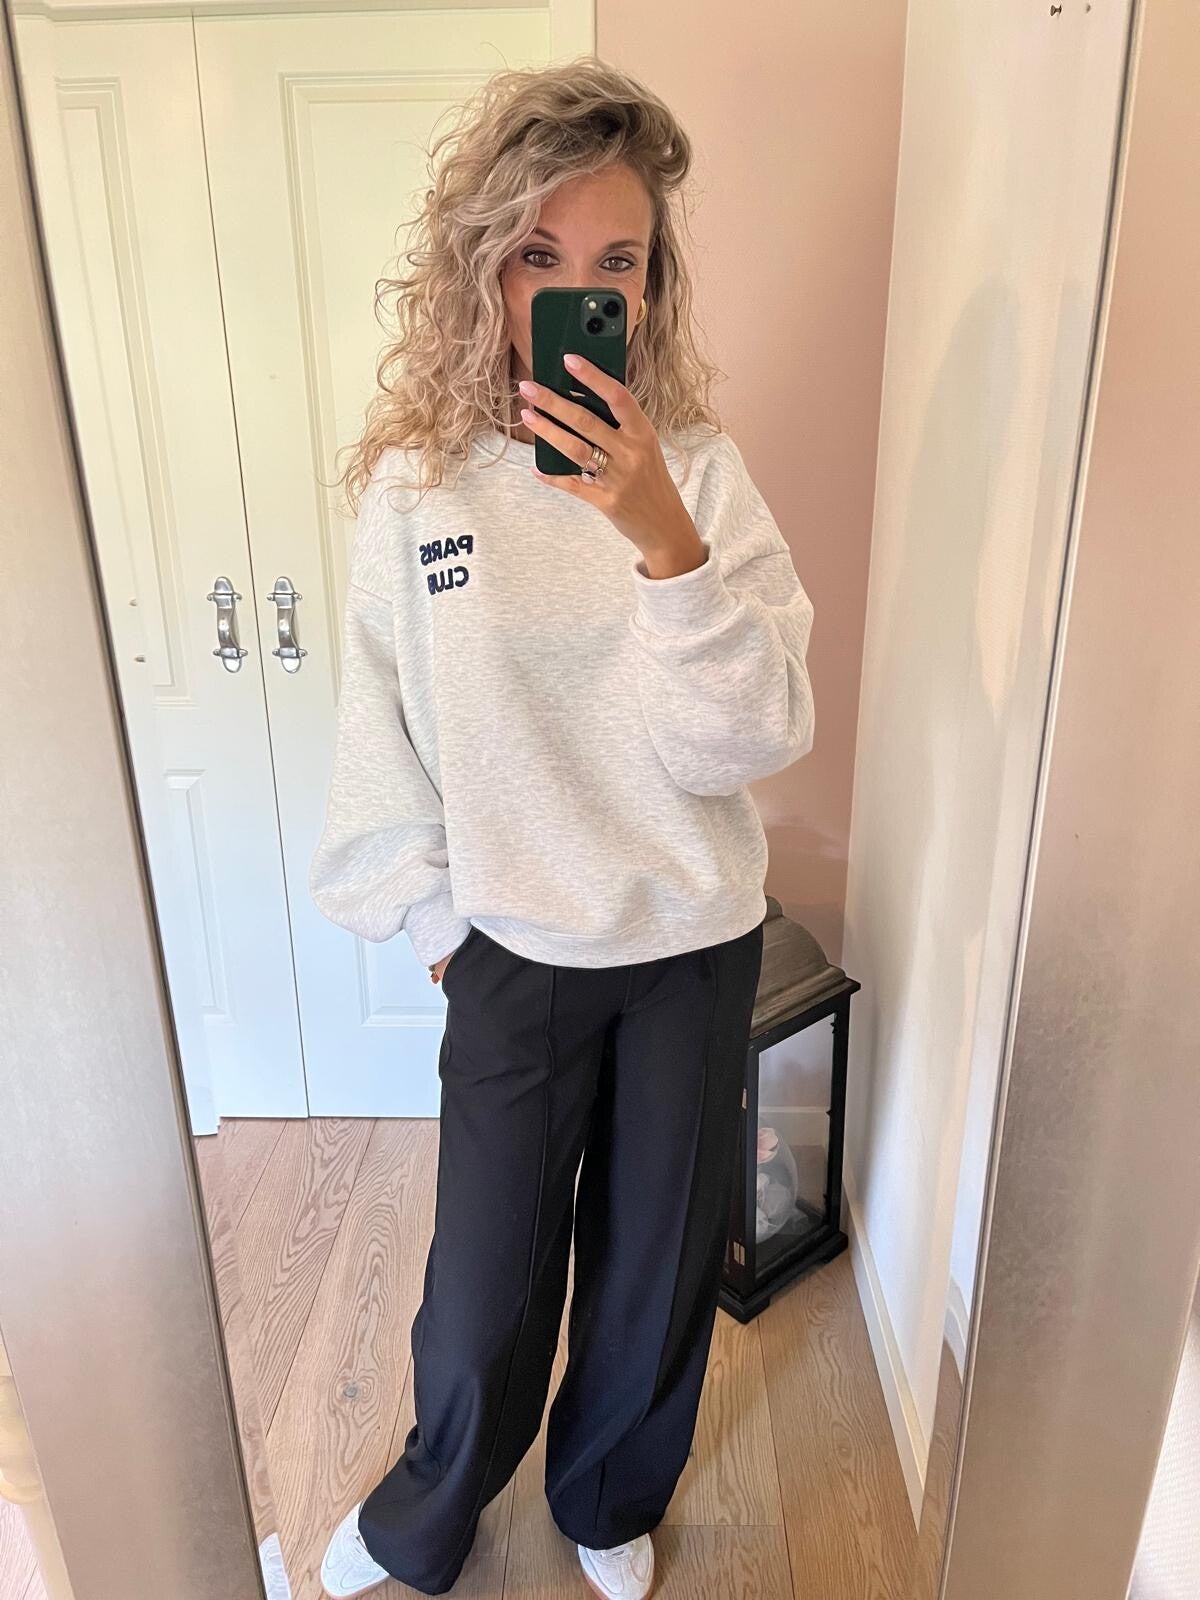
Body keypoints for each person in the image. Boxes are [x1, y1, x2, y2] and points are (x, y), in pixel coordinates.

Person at [308, 56, 815, 1600]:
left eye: (618, 261)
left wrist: (664, 544)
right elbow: (378, 729)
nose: (581, 293)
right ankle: (430, 1514)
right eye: (539, 255)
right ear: (483, 267)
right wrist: (438, 924)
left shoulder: (702, 478)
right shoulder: (419, 488)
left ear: (651, 287)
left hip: (690, 946)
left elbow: (751, 739)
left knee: (654, 1274)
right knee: (481, 1295)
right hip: (511, 949)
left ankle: (606, 1497)